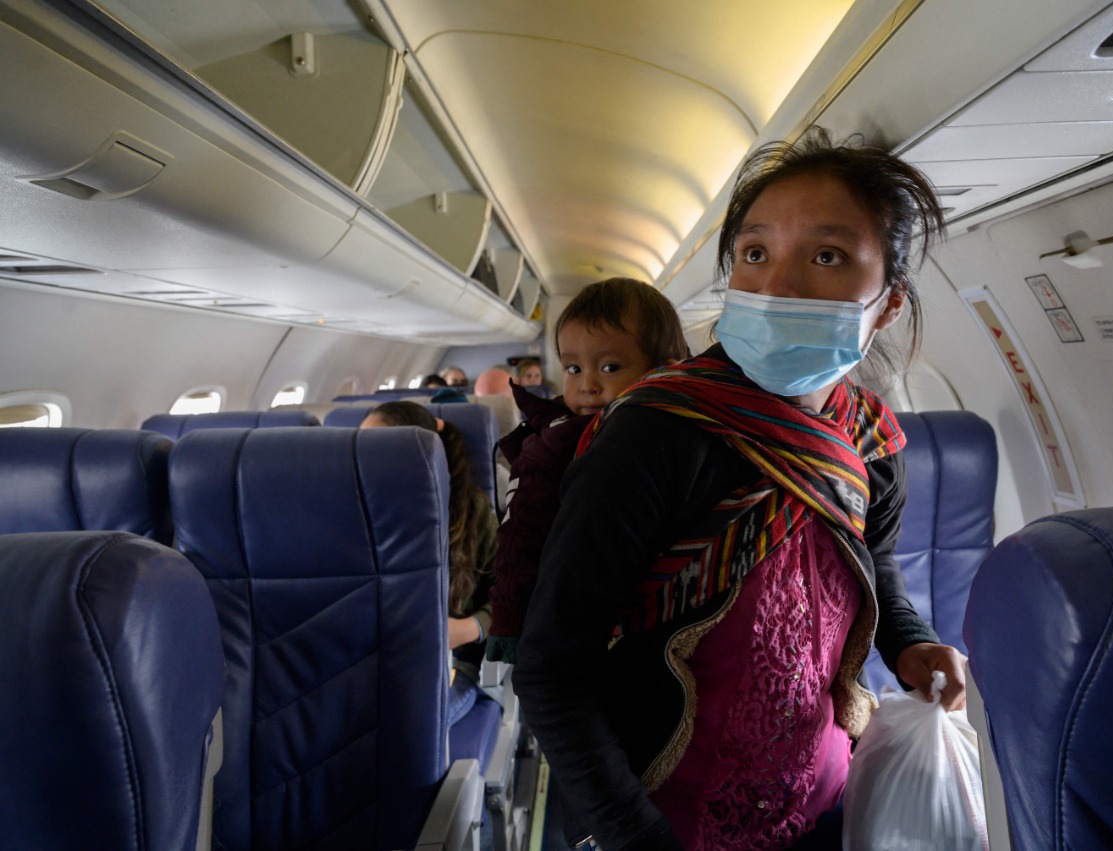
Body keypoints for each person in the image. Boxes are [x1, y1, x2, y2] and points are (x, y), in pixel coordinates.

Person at [511, 128, 966, 850]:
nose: (777, 284)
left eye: (827, 255)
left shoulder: (871, 443)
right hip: (663, 813)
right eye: (755, 253)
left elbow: (873, 567)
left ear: (887, 304)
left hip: (822, 798)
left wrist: (911, 641)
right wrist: (635, 836)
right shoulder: (657, 433)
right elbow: (551, 667)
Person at [485, 278, 689, 664]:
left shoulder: (682, 436)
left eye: (610, 367)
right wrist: (510, 618)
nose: (587, 386)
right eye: (573, 368)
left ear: (667, 372)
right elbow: (520, 535)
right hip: (562, 617)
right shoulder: (556, 446)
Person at [359, 400, 498, 725]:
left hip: (450, 661)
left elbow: (514, 599)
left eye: (379, 450)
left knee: (404, 725)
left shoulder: (470, 511)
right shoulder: (350, 506)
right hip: (368, 660)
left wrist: (467, 628)